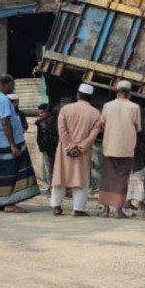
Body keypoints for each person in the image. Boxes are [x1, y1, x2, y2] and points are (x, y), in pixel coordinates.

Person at [0, 75, 39, 212]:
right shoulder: (3, 100)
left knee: (0, 172)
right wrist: (13, 145)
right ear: (6, 84)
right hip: (6, 143)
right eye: (12, 84)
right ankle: (9, 203)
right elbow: (5, 123)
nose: (13, 87)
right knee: (12, 172)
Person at [51, 84, 101, 216]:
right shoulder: (96, 113)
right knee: (80, 179)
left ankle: (56, 206)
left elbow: (62, 130)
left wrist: (69, 146)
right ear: (91, 97)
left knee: (60, 176)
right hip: (82, 152)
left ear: (78, 95)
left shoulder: (65, 109)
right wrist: (81, 147)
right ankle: (78, 209)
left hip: (64, 149)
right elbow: (93, 135)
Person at [98, 81, 141, 218]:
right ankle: (119, 211)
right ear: (129, 93)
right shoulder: (134, 107)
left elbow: (102, 123)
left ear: (117, 91)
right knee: (122, 179)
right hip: (126, 148)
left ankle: (105, 211)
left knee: (107, 178)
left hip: (110, 146)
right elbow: (138, 127)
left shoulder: (107, 106)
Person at [36, 103, 59, 196]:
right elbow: (39, 137)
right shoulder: (40, 122)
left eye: (42, 112)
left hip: (56, 148)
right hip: (46, 148)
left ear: (48, 112)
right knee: (48, 168)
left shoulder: (56, 121)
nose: (40, 115)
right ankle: (50, 187)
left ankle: (56, 187)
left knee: (56, 168)